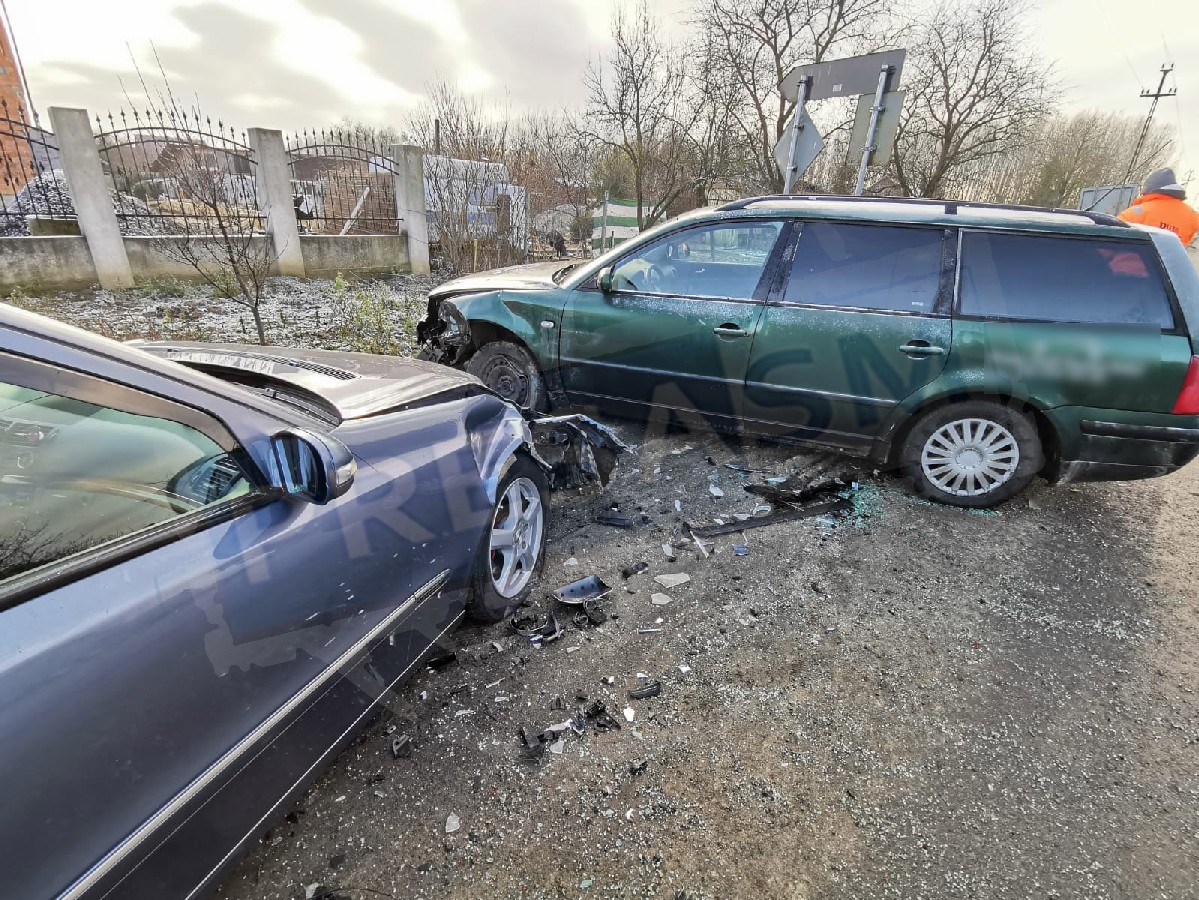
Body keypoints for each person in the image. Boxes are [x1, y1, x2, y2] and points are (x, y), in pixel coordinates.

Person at [1117, 168, 1198, 246]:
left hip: (1133, 259)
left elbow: (1111, 241)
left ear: (1149, 188)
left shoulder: (1133, 214)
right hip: (1175, 260)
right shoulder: (1194, 218)